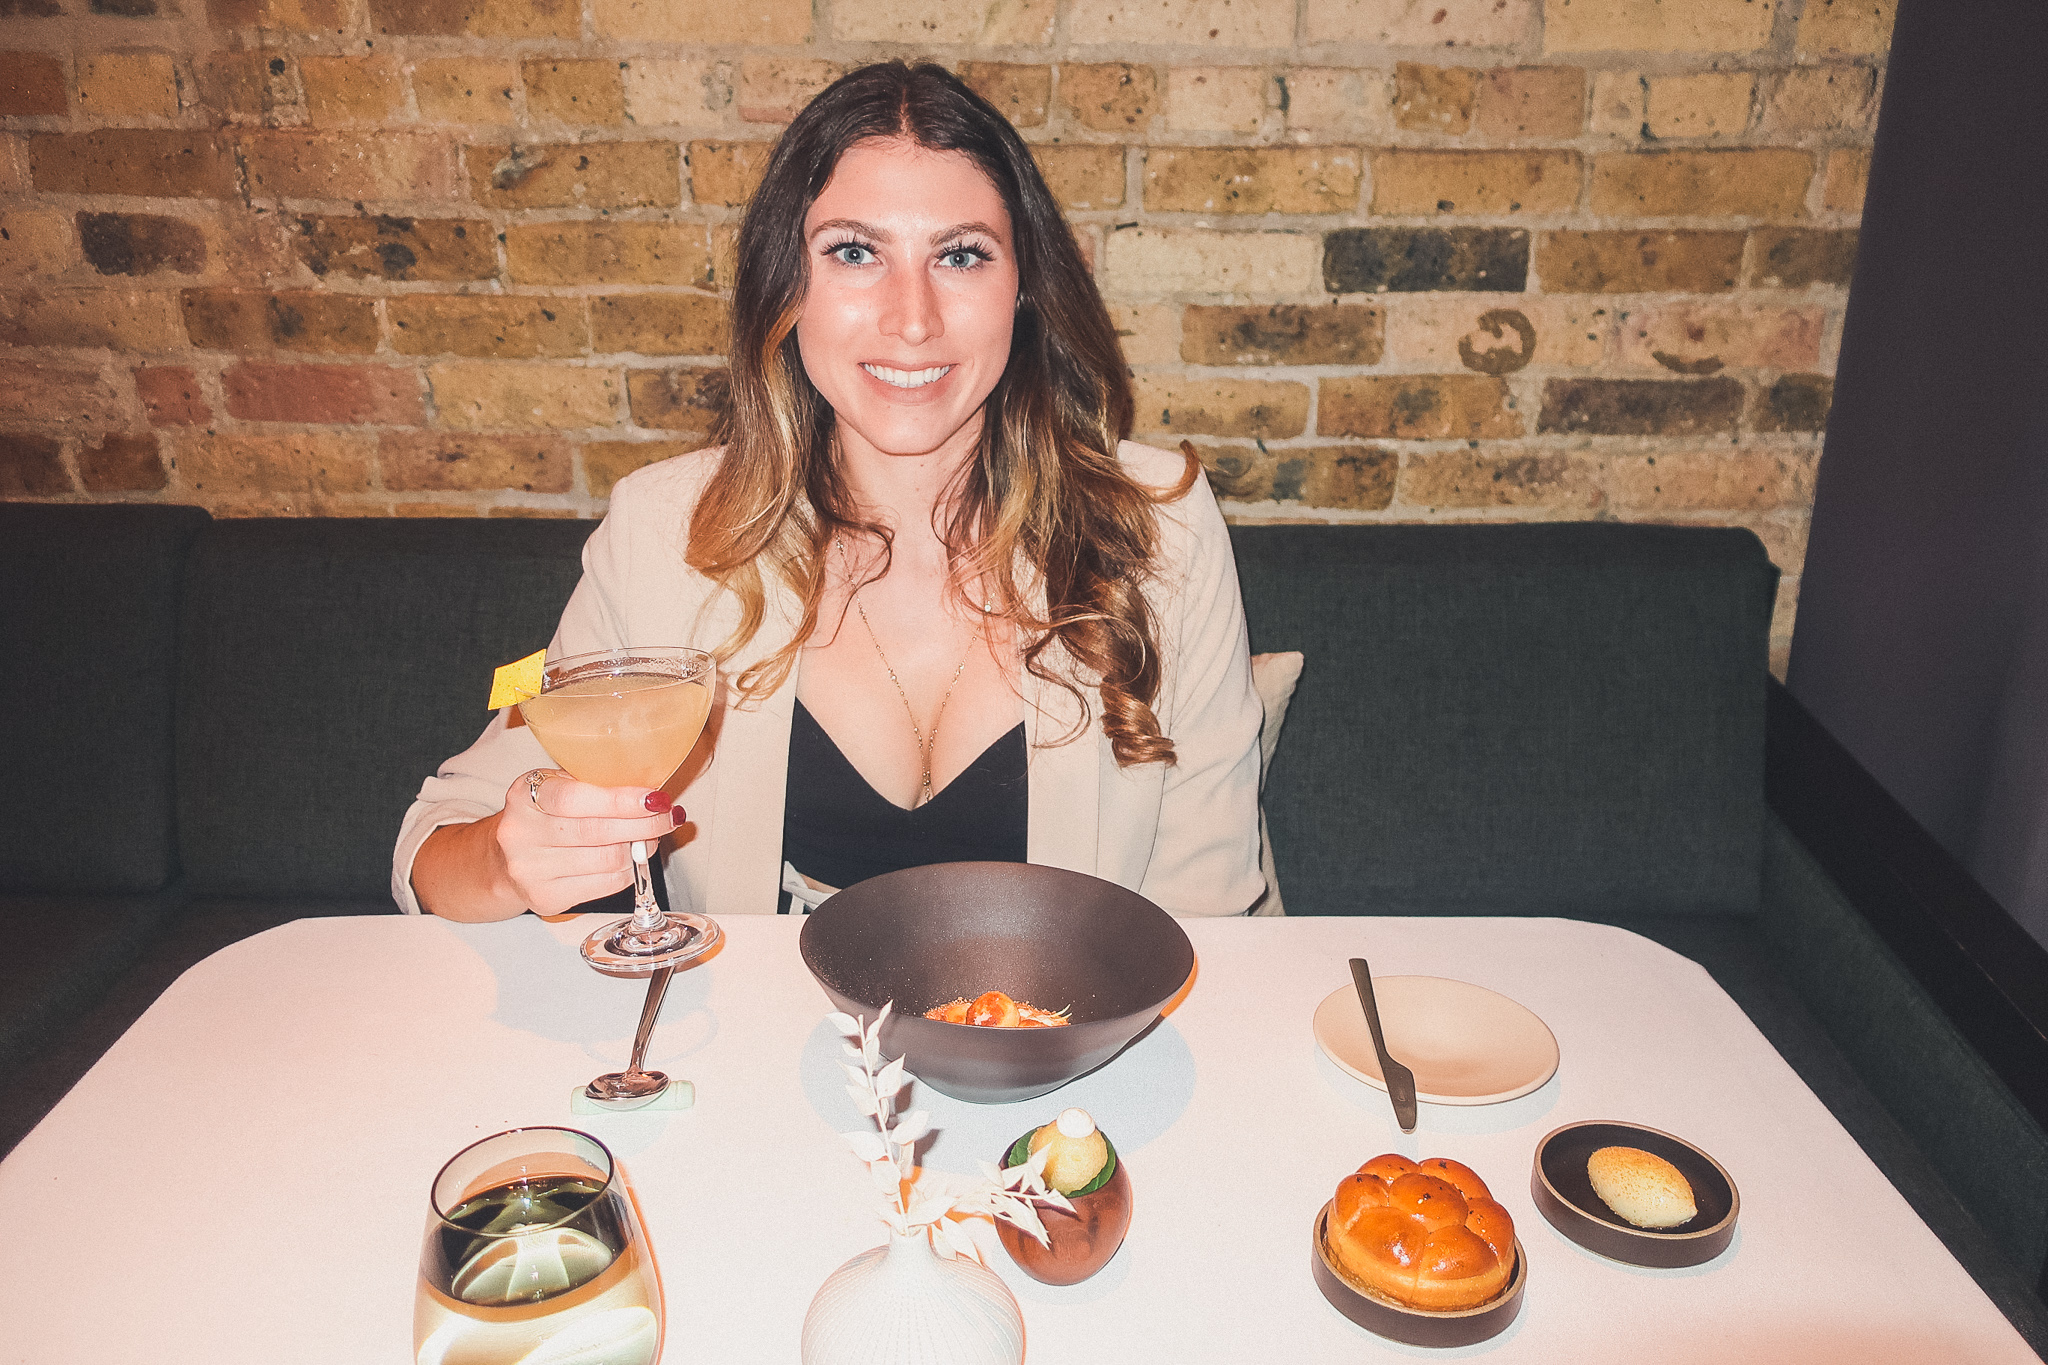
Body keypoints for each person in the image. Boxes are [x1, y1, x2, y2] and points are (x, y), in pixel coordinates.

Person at [395, 61, 1264, 921]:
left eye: (961, 255)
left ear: (1024, 288)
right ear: (787, 284)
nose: (912, 317)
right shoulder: (666, 533)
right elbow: (435, 845)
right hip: (774, 1048)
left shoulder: (1161, 526)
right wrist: (511, 865)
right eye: (855, 252)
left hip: (1072, 1040)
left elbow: (1209, 908)